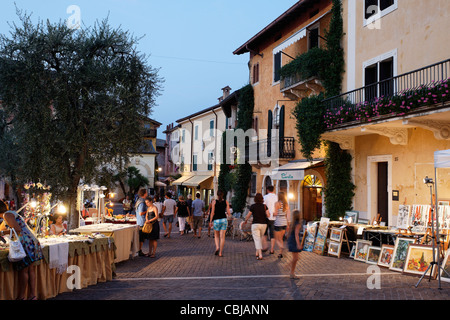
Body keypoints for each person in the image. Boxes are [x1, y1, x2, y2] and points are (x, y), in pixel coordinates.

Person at [0, 200, 43, 300]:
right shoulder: (9, 214)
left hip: (25, 243)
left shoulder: (7, 215)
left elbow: (17, 229)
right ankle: (32, 295)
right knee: (30, 270)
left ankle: (21, 296)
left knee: (23, 271)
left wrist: (2, 232)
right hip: (30, 241)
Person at [243, 193, 270, 260]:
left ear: (255, 199)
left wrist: (245, 220)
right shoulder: (265, 206)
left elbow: (248, 215)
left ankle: (260, 255)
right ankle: (257, 253)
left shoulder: (253, 206)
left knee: (257, 239)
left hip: (255, 224)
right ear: (262, 199)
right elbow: (268, 215)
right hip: (263, 225)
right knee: (259, 238)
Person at [209, 190, 231, 257]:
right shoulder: (226, 202)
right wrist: (229, 216)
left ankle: (217, 247)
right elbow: (228, 212)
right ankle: (220, 252)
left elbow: (212, 213)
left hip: (216, 220)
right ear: (223, 194)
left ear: (217, 195)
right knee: (222, 237)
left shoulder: (214, 202)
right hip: (224, 220)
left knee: (216, 235)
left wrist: (210, 221)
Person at [287, 210, 304, 279]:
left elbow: (289, 232)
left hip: (291, 240)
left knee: (296, 258)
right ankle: (291, 272)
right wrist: (298, 244)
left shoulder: (292, 223)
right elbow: (296, 234)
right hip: (294, 241)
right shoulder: (298, 224)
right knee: (296, 258)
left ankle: (291, 271)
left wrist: (288, 240)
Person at [273, 191, 290, 259]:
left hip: (278, 222)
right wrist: (288, 224)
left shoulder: (277, 203)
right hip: (284, 222)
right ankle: (280, 253)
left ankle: (282, 247)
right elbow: (287, 215)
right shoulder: (286, 204)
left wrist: (271, 213)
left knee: (277, 238)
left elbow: (275, 214)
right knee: (281, 239)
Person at [263, 186, 278, 254]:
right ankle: (272, 249)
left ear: (267, 190)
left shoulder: (265, 197)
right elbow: (277, 206)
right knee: (272, 234)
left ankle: (265, 246)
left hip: (266, 217)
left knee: (264, 233)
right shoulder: (276, 197)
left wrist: (267, 213)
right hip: (274, 217)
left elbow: (264, 206)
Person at [135, 189, 148, 257]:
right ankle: (139, 250)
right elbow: (140, 213)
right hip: (142, 222)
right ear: (144, 193)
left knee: (141, 237)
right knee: (142, 237)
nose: (147, 193)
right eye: (146, 192)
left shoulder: (138, 200)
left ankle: (139, 250)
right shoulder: (142, 202)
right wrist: (148, 211)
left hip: (139, 221)